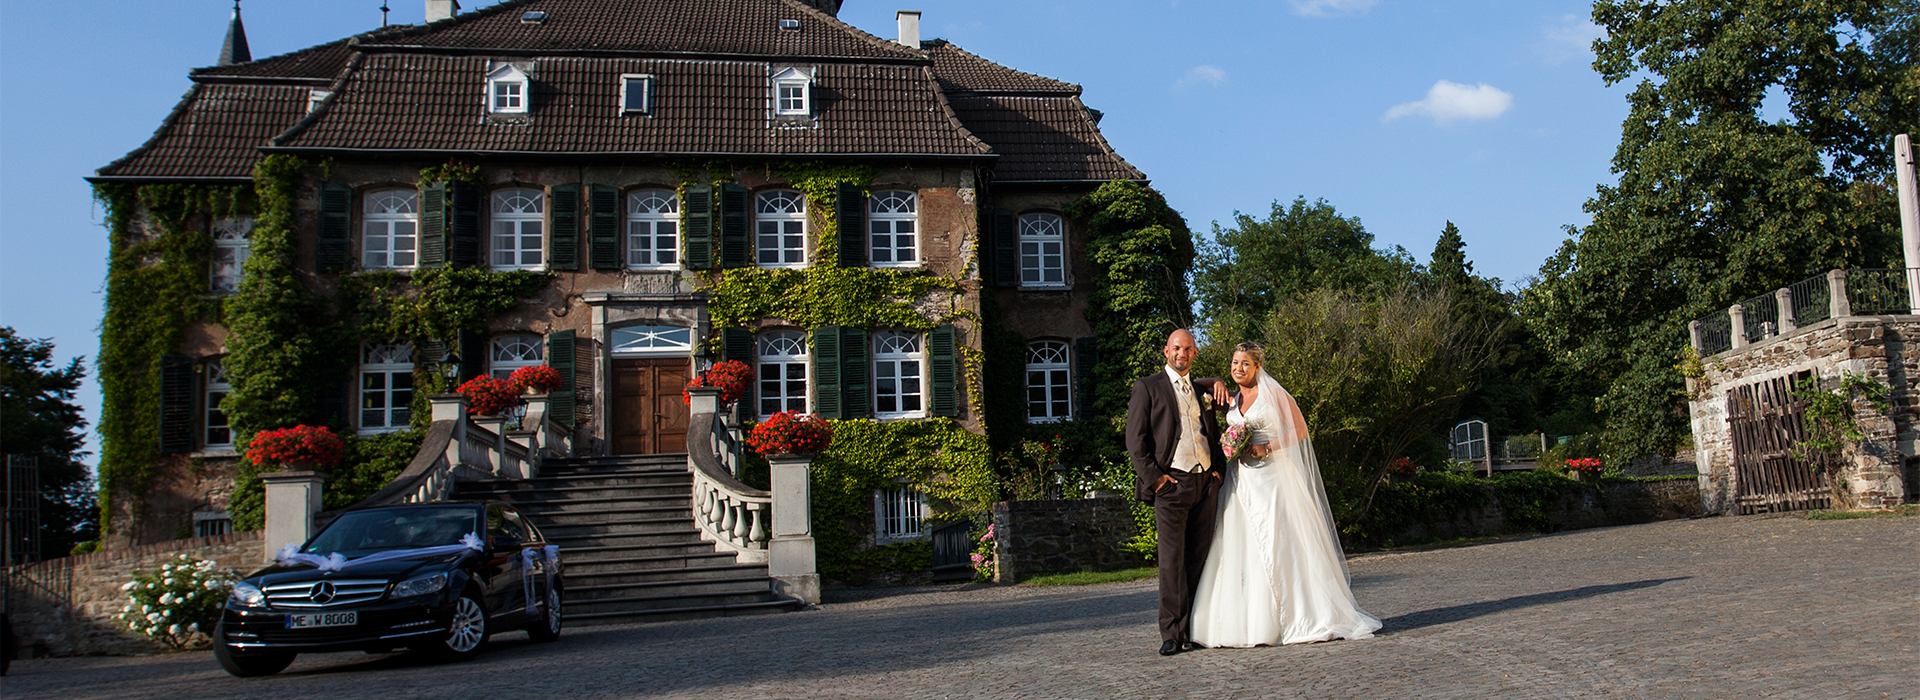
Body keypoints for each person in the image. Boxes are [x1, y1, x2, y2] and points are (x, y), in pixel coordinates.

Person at [1189, 342, 1382, 648]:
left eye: (1245, 364)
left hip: (1273, 480)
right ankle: (1247, 622)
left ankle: (1297, 617)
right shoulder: (1233, 398)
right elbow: (1193, 386)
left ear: (1258, 367)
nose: (1238, 368)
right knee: (1240, 546)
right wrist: (1216, 382)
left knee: (1280, 542)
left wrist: (1268, 446)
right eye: (1234, 363)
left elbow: (1300, 430)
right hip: (1242, 482)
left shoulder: (1274, 395)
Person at [1125, 329, 1230, 656]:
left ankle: (1195, 630)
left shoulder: (1201, 390)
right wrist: (1155, 480)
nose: (1181, 353)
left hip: (1204, 483)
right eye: (1175, 348)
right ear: (1166, 351)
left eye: (1187, 348)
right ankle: (1171, 633)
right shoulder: (1147, 387)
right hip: (1171, 484)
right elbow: (1135, 440)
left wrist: (1217, 473)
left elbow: (1211, 432)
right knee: (1172, 561)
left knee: (1199, 559)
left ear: (1194, 353)